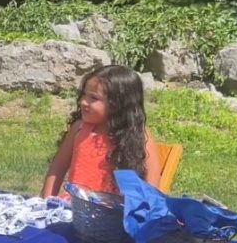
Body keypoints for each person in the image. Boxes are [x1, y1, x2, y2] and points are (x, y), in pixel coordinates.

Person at [41, 65, 161, 198]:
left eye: (93, 98)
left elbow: (152, 186)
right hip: (73, 209)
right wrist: (46, 203)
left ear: (117, 104)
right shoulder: (79, 129)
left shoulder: (139, 136)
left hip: (114, 214)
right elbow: (57, 168)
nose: (83, 102)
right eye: (84, 95)